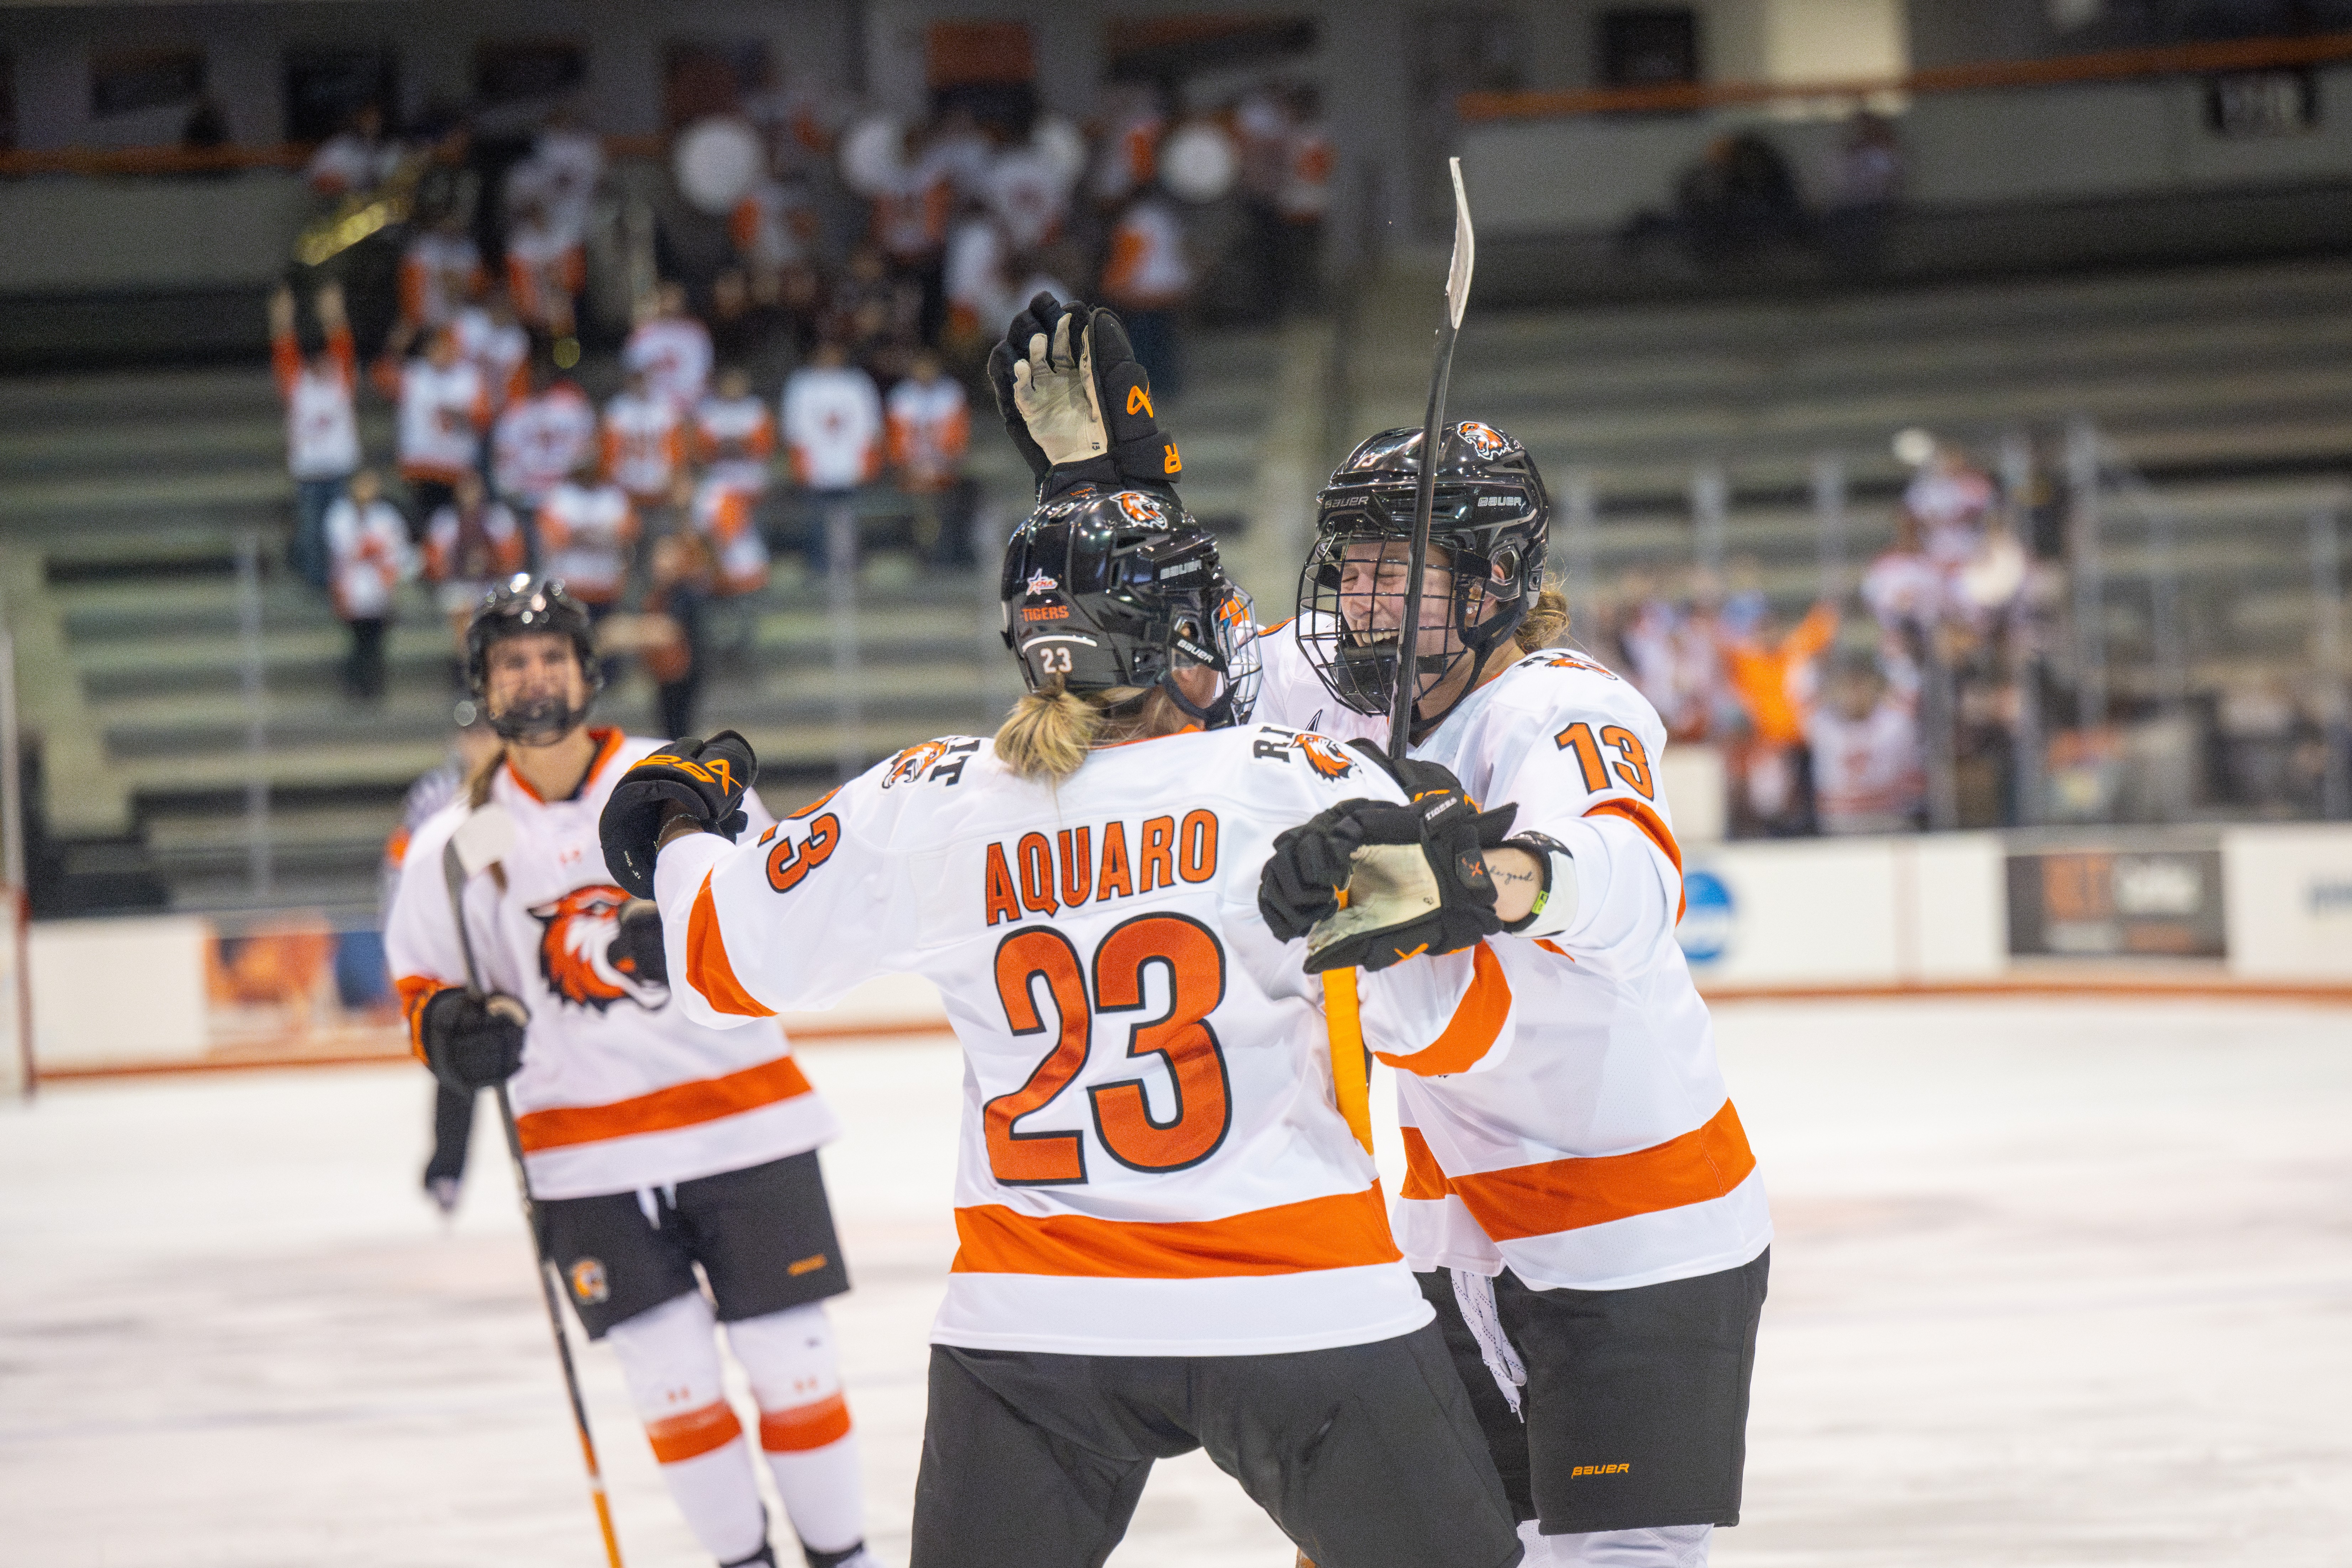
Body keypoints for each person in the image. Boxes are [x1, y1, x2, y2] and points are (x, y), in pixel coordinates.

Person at [601, 491, 1525, 1568]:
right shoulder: (1295, 783)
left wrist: (682, 828)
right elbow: (1456, 1036)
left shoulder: (929, 797)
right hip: (1295, 1300)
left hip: (1034, 1318)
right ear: (1173, 641)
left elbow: (724, 959)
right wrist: (1449, 870)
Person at [994, 296, 1771, 1568]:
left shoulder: (1562, 708)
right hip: (1449, 1227)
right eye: (1350, 564)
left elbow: (1633, 889)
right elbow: (1180, 664)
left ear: (1493, 582)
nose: (1361, 596)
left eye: (1395, 569)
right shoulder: (1331, 669)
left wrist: (1495, 875)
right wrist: (1109, 490)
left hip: (1636, 1228)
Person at [384, 581, 883, 1568]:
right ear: (484, 686)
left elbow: (782, 905)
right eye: (512, 661)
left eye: (552, 656)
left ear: (588, 672)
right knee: (672, 1383)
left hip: (744, 1125)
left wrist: (704, 932)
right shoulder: (464, 841)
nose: (535, 676)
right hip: (584, 1160)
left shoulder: (674, 788)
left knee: (793, 1366)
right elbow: (424, 978)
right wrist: (448, 1028)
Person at [380, 707, 506, 1213]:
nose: (477, 741)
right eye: (471, 731)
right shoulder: (434, 795)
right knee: (459, 1056)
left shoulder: (520, 786)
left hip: (512, 942)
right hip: (455, 946)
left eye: (486, 730)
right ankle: (447, 1169)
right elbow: (402, 869)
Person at [268, 280, 360, 592]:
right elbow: (284, 348)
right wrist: (282, 316)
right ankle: (316, 582)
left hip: (338, 468)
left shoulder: (341, 381)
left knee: (341, 531)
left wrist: (333, 313)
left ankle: (340, 580)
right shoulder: (298, 384)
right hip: (309, 471)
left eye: (330, 361)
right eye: (321, 361)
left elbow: (342, 342)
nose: (328, 364)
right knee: (311, 531)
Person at [780, 343, 882, 575]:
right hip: (816, 467)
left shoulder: (857, 383)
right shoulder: (802, 384)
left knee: (851, 522)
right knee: (817, 523)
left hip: (850, 465)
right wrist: (801, 466)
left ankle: (851, 572)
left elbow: (871, 426)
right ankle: (819, 571)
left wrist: (867, 463)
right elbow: (794, 430)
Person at [1808, 650, 1925, 835]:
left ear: (1878, 687)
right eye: (1847, 686)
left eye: (1862, 685)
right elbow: (1801, 679)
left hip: (1892, 822)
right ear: (1833, 690)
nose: (1855, 693)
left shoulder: (1898, 724)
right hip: (1838, 826)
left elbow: (1910, 679)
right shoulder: (1820, 724)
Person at [323, 468, 413, 700]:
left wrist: (392, 582)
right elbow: (343, 551)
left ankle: (375, 688)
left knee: (376, 642)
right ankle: (355, 687)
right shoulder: (340, 514)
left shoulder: (387, 516)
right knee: (357, 642)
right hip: (351, 586)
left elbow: (396, 552)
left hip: (379, 586)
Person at [423, 471, 528, 667]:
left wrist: (489, 562)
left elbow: (512, 555)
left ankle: (493, 664)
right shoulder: (446, 519)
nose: (469, 495)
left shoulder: (497, 517)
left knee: (497, 610)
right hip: (459, 582)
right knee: (461, 614)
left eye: (473, 489)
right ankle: (468, 666)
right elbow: (435, 558)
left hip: (491, 581)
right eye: (465, 490)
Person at [395, 327, 490, 541]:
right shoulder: (414, 373)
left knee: (455, 532)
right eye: (438, 347)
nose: (443, 352)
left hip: (457, 469)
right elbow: (381, 378)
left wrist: (461, 415)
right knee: (423, 529)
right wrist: (396, 348)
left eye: (448, 347)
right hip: (422, 467)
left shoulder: (470, 377)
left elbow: (484, 420)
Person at [1100, 189, 1194, 399]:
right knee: (1164, 343)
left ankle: (1152, 393)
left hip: (1146, 294)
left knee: (1144, 345)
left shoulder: (1136, 219)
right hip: (1171, 290)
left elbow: (1126, 263)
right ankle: (1169, 389)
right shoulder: (1165, 215)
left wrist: (1112, 289)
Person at [883, 349, 972, 568]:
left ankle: (951, 562)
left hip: (945, 472)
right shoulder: (900, 396)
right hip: (910, 474)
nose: (925, 372)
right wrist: (911, 467)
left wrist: (943, 465)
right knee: (910, 516)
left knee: (957, 505)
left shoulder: (951, 393)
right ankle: (914, 561)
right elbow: (895, 440)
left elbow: (958, 436)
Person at [492, 354, 598, 515]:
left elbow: (589, 451)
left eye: (544, 371)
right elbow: (502, 458)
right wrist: (512, 489)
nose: (540, 377)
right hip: (522, 495)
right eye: (536, 371)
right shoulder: (515, 411)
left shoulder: (572, 406)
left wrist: (570, 487)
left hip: (563, 499)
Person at [537, 454, 640, 618]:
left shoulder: (613, 496)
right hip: (565, 589)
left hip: (605, 590)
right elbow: (556, 540)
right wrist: (604, 532)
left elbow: (628, 533)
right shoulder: (559, 496)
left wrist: (578, 533)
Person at [603, 366, 686, 525]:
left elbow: (676, 450)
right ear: (628, 381)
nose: (640, 384)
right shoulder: (618, 409)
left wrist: (674, 479)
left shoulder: (665, 407)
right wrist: (615, 484)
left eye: (643, 379)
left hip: (660, 486)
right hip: (626, 487)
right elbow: (609, 454)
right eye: (636, 379)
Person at [627, 282, 717, 415]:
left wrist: (689, 402)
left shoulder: (697, 332)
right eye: (666, 298)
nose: (671, 304)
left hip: (695, 403)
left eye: (675, 299)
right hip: (652, 406)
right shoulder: (643, 333)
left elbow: (707, 374)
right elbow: (631, 375)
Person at [694, 367, 778, 498]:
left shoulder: (756, 409)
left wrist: (742, 446)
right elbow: (702, 449)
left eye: (737, 383)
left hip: (751, 473)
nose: (733, 387)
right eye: (730, 383)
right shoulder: (709, 410)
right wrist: (721, 447)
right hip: (719, 474)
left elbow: (766, 447)